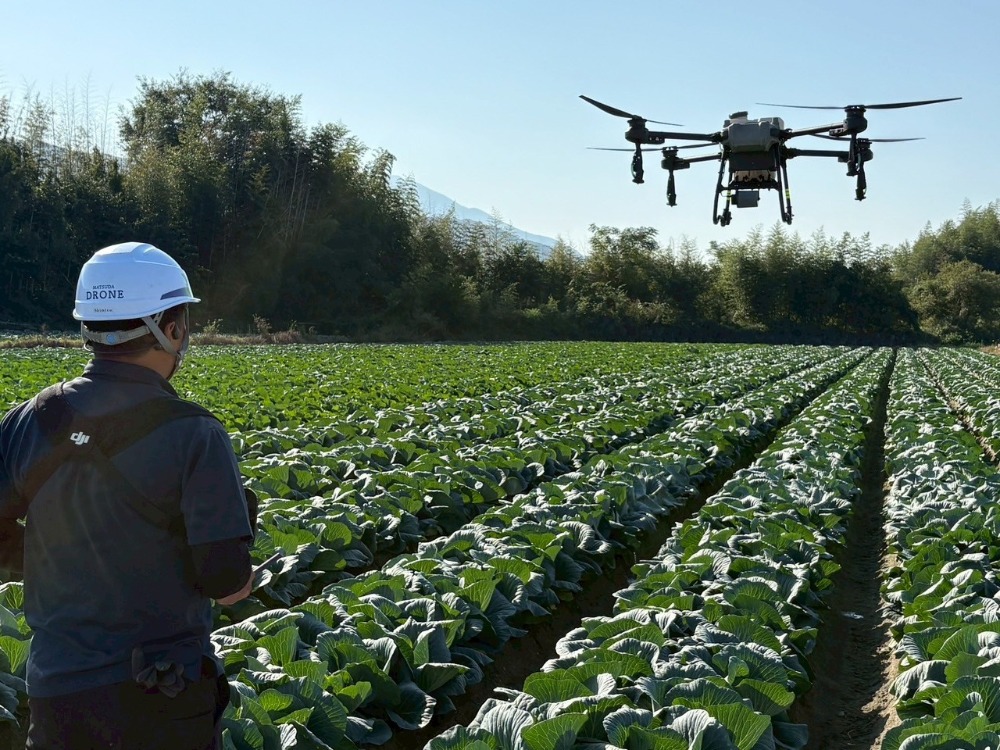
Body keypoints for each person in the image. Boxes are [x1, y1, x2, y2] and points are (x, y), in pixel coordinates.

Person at [0, 242, 256, 749]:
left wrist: (53, 563)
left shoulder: (30, 420)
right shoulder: (195, 434)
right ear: (172, 328)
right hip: (161, 698)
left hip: (56, 694)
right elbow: (228, 585)